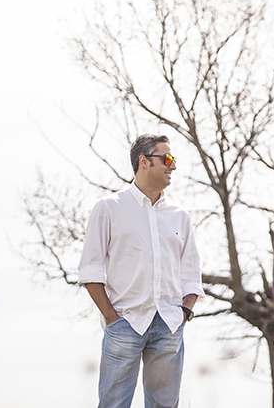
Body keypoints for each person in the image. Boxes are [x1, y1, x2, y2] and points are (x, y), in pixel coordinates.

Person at [78, 134, 204, 408]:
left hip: (170, 325)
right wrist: (112, 318)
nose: (173, 166)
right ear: (144, 161)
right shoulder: (108, 208)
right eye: (167, 159)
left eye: (173, 159)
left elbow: (192, 273)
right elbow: (90, 269)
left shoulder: (180, 216)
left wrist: (184, 312)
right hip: (124, 322)